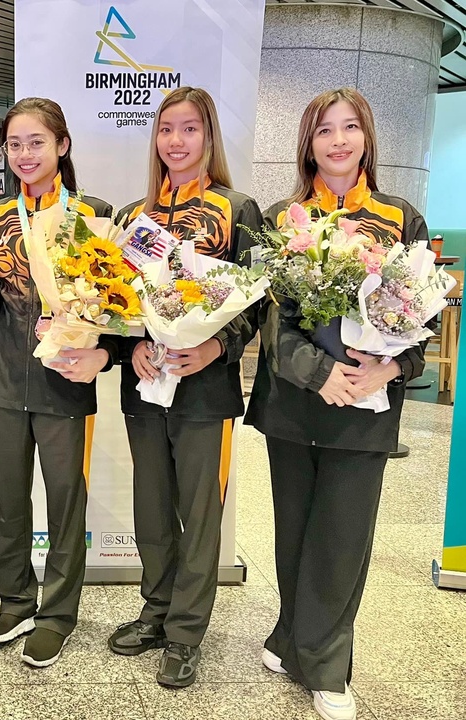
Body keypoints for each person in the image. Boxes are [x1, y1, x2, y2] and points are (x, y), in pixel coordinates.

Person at [245, 87, 427, 720]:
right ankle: (290, 639)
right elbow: (273, 323)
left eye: (350, 128)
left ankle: (326, 665)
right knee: (293, 533)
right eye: (325, 130)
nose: (339, 141)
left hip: (365, 408)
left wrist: (389, 367)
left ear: (367, 138)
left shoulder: (400, 217)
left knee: (341, 539)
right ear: (308, 143)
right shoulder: (281, 219)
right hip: (297, 402)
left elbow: (417, 325)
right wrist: (320, 373)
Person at [105, 86, 263, 688]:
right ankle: (156, 607)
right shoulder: (131, 215)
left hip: (204, 389)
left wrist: (215, 346)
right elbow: (111, 303)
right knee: (151, 505)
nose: (176, 141)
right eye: (166, 129)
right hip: (146, 384)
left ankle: (187, 630)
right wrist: (132, 347)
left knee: (198, 513)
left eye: (189, 129)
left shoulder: (236, 208)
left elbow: (253, 299)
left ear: (209, 137)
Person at [0, 97, 114, 668]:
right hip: (3, 378)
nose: (25, 154)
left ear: (62, 145)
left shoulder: (94, 215)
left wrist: (98, 350)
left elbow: (115, 304)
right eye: (14, 144)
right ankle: (15, 601)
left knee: (64, 501)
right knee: (5, 499)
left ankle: (56, 613)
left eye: (37, 142)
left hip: (64, 381)